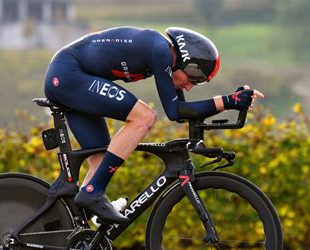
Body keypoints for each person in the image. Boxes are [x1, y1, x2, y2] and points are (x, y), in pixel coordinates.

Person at [44, 26, 264, 225]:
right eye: (194, 78)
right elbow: (174, 111)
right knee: (144, 118)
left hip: (73, 77)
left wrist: (230, 101)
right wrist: (228, 101)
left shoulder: (165, 57)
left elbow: (182, 112)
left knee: (100, 158)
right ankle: (93, 191)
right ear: (185, 62)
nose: (190, 86)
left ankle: (74, 229)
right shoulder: (159, 50)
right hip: (68, 74)